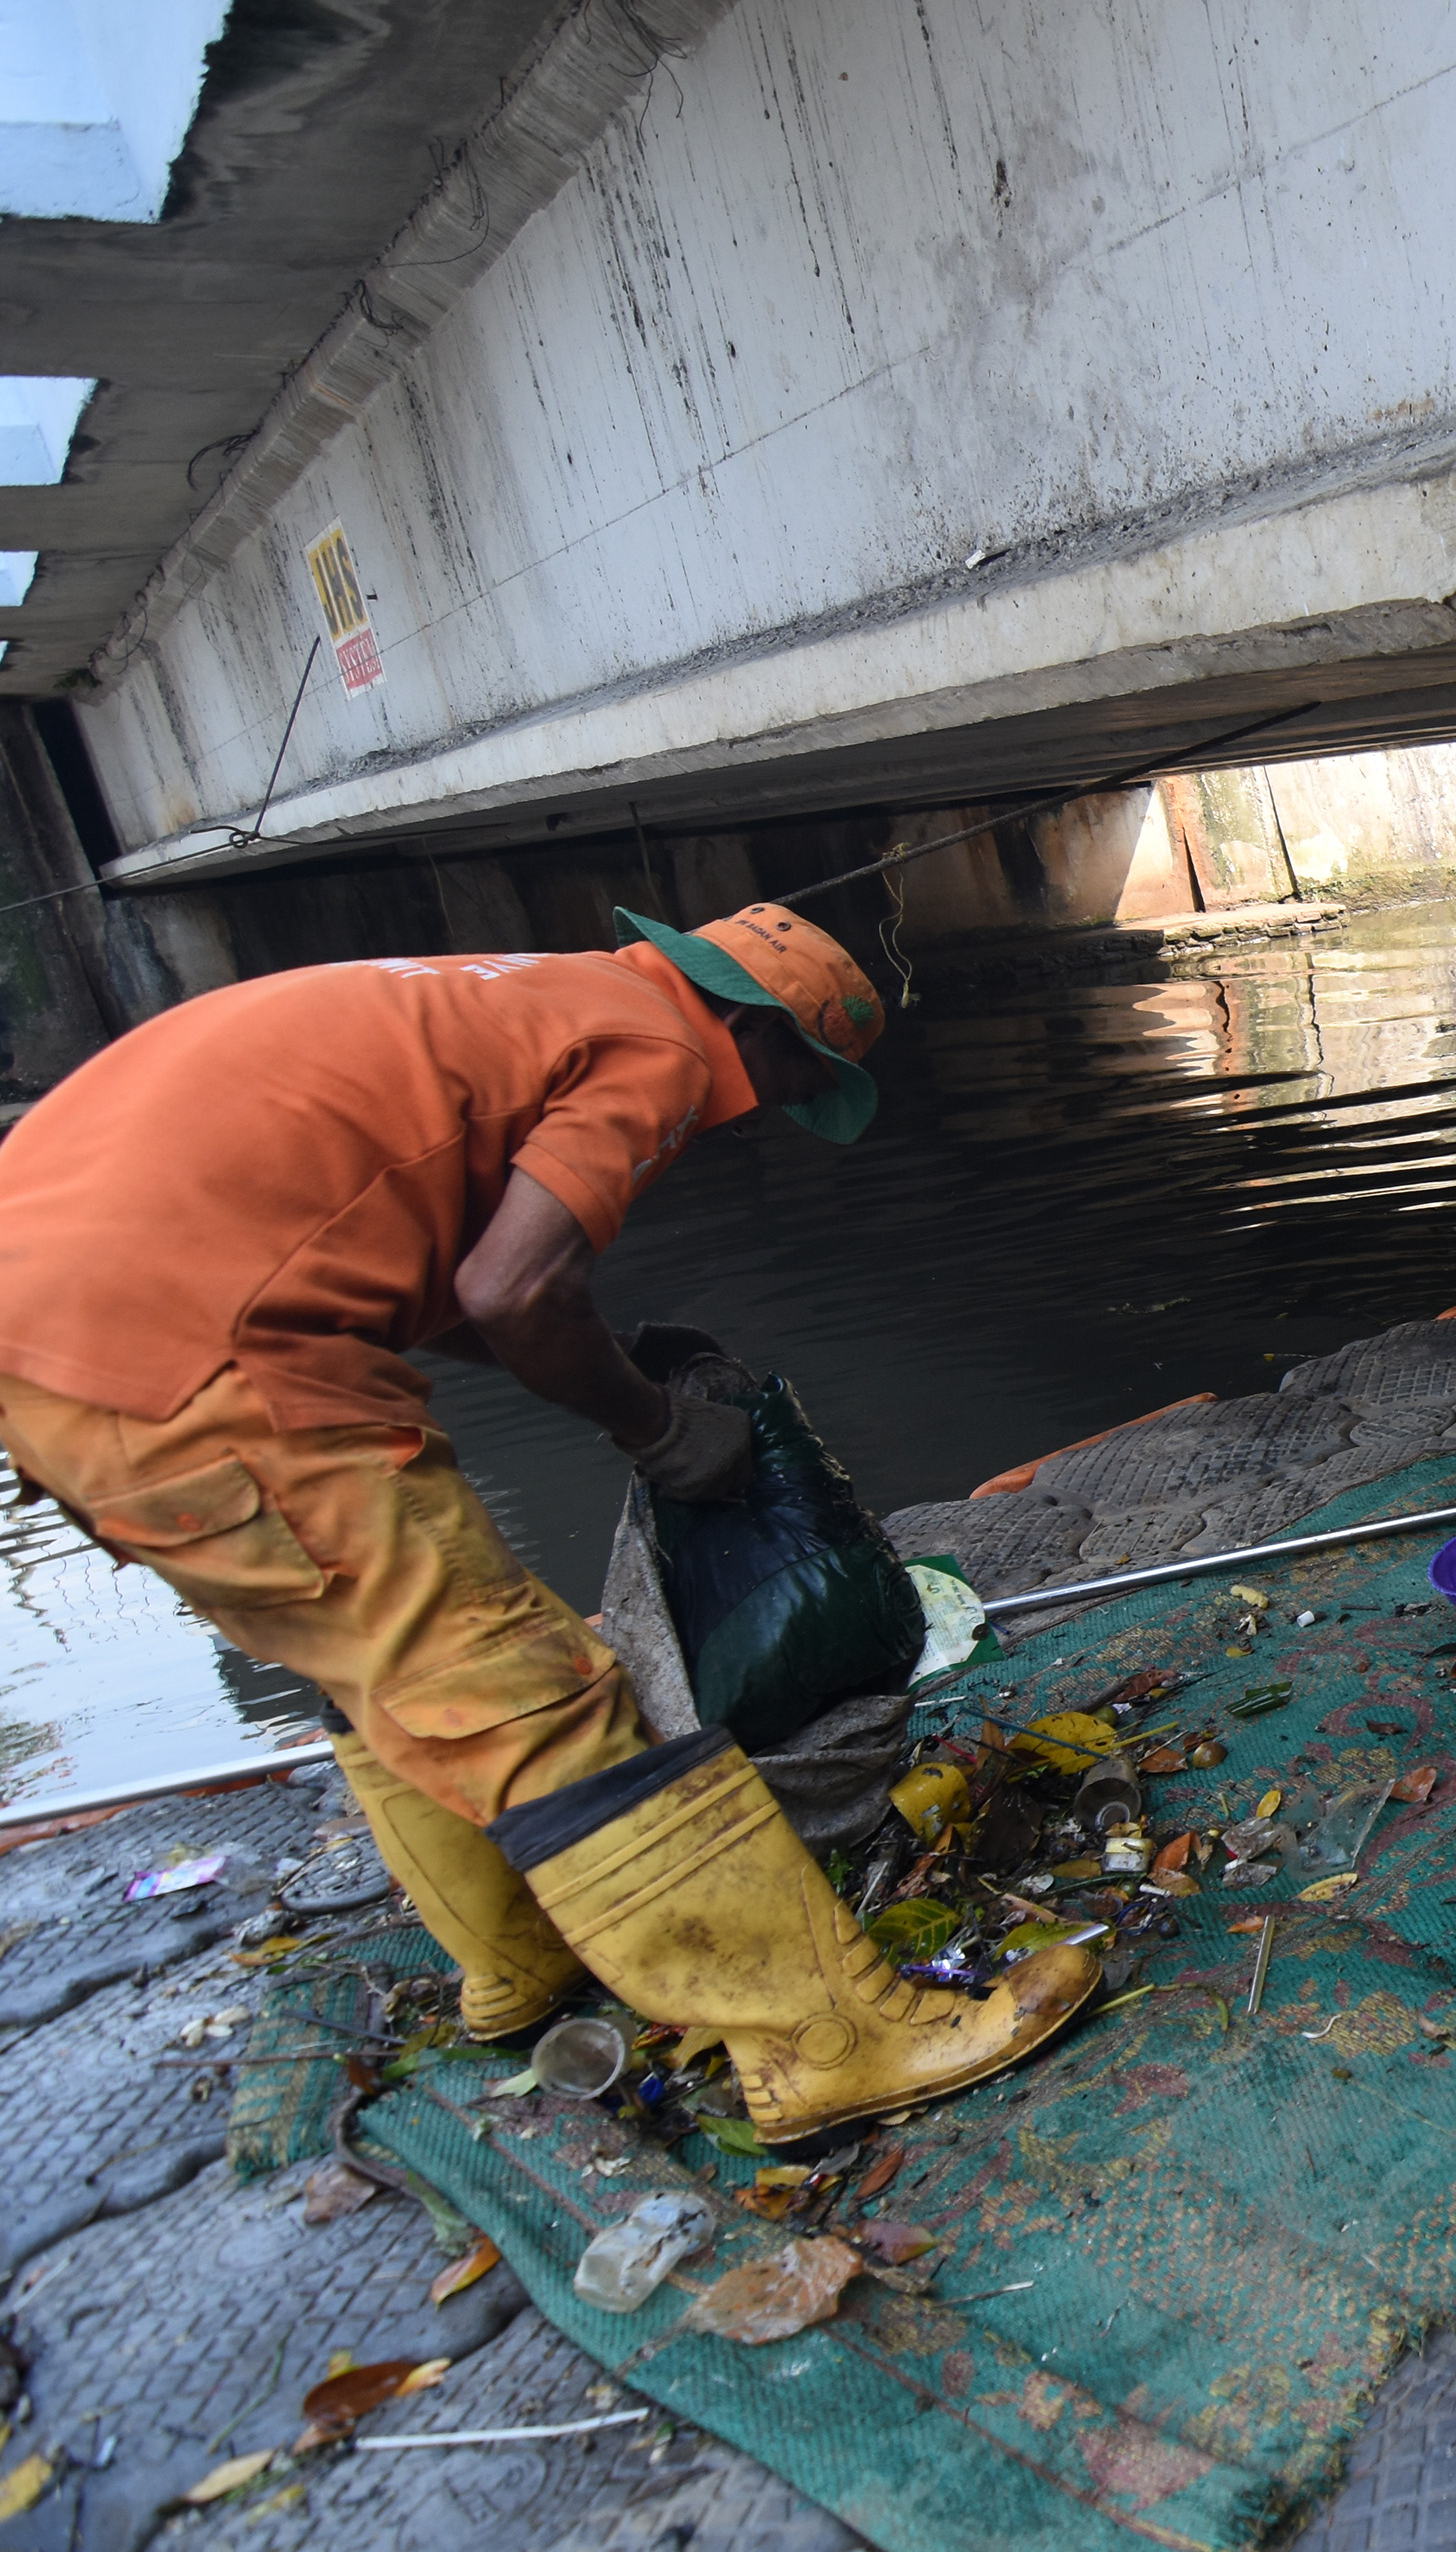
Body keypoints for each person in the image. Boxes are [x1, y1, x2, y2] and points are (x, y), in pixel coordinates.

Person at [0, 905, 1095, 2143]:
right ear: (750, 1024)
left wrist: (601, 1365)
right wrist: (655, 1431)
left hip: (68, 1367)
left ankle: (518, 1966)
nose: (758, 1115)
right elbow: (513, 1288)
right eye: (789, 1077)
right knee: (531, 1697)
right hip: (210, 1365)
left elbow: (448, 1278)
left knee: (385, 1672)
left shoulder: (522, 997)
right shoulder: (662, 1046)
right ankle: (826, 2038)